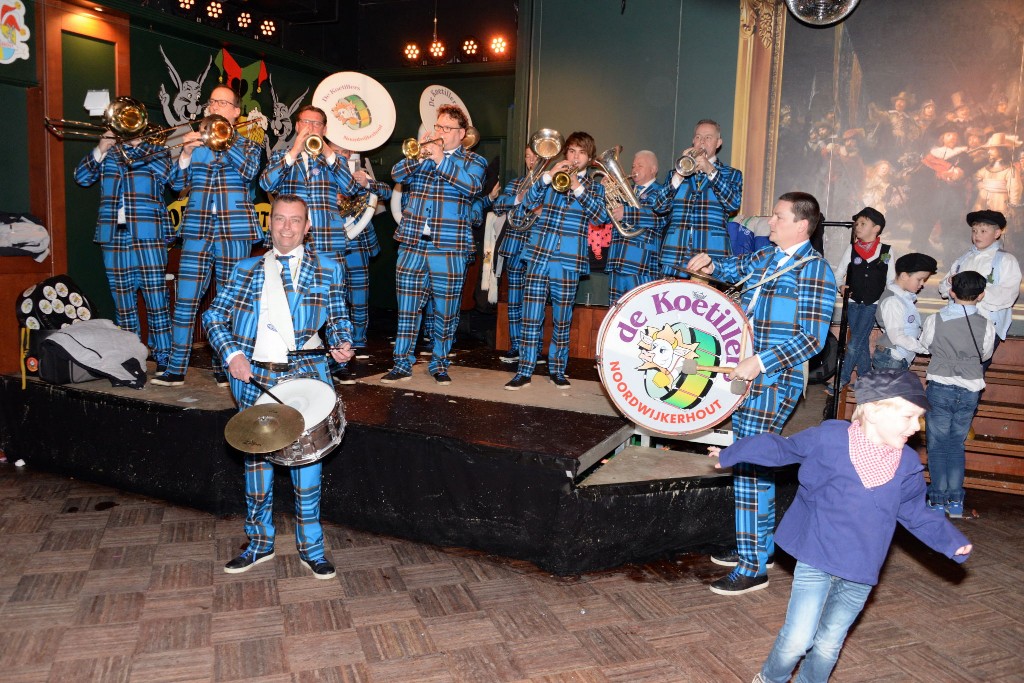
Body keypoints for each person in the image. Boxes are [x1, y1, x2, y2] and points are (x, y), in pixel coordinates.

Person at [708, 370, 972, 683]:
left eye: (919, 419)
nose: (916, 428)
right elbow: (783, 448)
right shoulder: (830, 439)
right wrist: (733, 453)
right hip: (817, 556)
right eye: (909, 416)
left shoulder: (906, 466)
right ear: (873, 410)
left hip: (861, 569)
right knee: (797, 640)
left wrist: (949, 540)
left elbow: (916, 512)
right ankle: (770, 678)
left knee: (829, 643)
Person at [687, 191, 837, 595]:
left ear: (802, 225)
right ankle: (758, 548)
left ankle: (752, 567)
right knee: (756, 461)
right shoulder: (768, 258)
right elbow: (734, 265)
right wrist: (709, 263)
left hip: (775, 379)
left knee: (749, 462)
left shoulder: (816, 271)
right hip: (750, 377)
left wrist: (761, 361)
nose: (769, 222)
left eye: (777, 216)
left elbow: (812, 338)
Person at [202, 194, 354, 579]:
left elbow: (338, 319)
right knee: (257, 466)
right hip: (255, 375)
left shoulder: (329, 269)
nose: (287, 227)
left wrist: (343, 344)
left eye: (295, 220)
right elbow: (214, 316)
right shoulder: (246, 269)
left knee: (307, 464)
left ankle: (312, 548)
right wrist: (232, 353)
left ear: (307, 227)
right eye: (280, 220)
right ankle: (258, 544)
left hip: (308, 373)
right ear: (270, 225)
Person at [153, 85, 263, 387]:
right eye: (212, 101)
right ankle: (176, 366)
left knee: (230, 304)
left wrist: (223, 142)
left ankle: (224, 364)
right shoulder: (195, 143)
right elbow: (175, 183)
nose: (215, 106)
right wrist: (186, 152)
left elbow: (248, 172)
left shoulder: (249, 144)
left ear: (235, 111)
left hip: (235, 231)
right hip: (197, 231)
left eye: (222, 102)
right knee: (186, 300)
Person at [383, 104, 486, 385]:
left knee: (446, 310)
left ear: (461, 133)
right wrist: (422, 153)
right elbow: (396, 174)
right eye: (438, 126)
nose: (440, 132)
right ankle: (401, 363)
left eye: (446, 128)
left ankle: (439, 363)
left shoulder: (473, 161)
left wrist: (442, 160)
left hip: (449, 247)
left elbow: (473, 187)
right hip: (413, 243)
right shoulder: (423, 155)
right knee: (407, 307)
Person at [259, 107, 358, 381]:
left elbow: (351, 188)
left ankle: (338, 358)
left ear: (325, 130)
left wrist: (327, 152)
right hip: (290, 241)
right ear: (297, 125)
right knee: (291, 298)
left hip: (328, 239)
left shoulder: (332, 159)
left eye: (317, 124)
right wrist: (294, 152)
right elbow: (266, 181)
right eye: (306, 122)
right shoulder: (283, 156)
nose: (311, 127)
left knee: (334, 301)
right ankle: (289, 358)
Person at [504, 132, 609, 390]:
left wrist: (577, 186)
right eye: (571, 151)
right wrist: (548, 177)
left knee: (563, 319)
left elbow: (599, 217)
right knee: (531, 316)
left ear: (590, 158)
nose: (575, 157)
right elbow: (527, 203)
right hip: (540, 254)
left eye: (581, 153)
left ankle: (557, 370)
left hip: (569, 260)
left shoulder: (595, 187)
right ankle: (525, 370)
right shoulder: (549, 180)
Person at [73, 129, 173, 373]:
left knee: (156, 299)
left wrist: (138, 145)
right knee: (123, 303)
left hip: (149, 234)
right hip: (114, 235)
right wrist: (101, 148)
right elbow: (82, 177)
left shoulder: (155, 151)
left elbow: (170, 177)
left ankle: (164, 357)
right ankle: (132, 357)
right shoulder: (110, 153)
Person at [920, 270, 995, 518]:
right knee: (956, 445)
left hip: (941, 385)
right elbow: (984, 355)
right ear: (981, 295)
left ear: (951, 292)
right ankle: (955, 502)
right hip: (971, 388)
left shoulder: (936, 319)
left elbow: (926, 344)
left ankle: (937, 499)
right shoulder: (987, 324)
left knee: (937, 445)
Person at [652, 119, 743, 276]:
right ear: (693, 141)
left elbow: (733, 204)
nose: (702, 142)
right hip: (674, 255)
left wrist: (710, 170)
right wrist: (679, 175)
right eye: (698, 137)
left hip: (711, 255)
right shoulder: (675, 173)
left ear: (718, 143)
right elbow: (659, 206)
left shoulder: (732, 174)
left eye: (708, 137)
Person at [937, 210, 1021, 366]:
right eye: (974, 231)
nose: (977, 235)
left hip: (986, 324)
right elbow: (943, 287)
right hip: (957, 322)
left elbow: (1009, 292)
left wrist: (979, 294)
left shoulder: (1006, 260)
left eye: (983, 231)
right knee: (950, 367)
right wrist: (949, 282)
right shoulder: (964, 259)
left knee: (974, 370)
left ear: (997, 233)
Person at [832, 207, 895, 393]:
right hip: (853, 304)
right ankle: (866, 380)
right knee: (860, 345)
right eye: (857, 224)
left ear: (876, 228)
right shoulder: (852, 249)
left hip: (872, 305)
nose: (857, 227)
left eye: (863, 223)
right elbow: (838, 275)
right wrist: (841, 287)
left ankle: (841, 379)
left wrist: (886, 303)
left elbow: (891, 281)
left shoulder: (886, 251)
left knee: (854, 344)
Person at [340, 146, 392, 376]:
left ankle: (359, 340)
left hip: (358, 241)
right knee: (336, 296)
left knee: (359, 295)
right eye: (339, 149)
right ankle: (340, 342)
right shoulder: (322, 169)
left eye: (346, 149)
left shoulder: (361, 169)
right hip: (330, 241)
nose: (345, 152)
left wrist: (367, 182)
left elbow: (388, 192)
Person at [491, 144, 539, 364]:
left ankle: (534, 349)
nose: (531, 161)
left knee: (535, 300)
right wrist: (518, 198)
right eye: (528, 157)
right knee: (514, 300)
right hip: (514, 245)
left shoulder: (552, 185)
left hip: (537, 246)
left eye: (535, 157)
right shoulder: (517, 183)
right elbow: (499, 205)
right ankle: (515, 346)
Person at [606, 150, 668, 304]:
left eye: (640, 166)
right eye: (633, 166)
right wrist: (604, 192)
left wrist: (626, 213)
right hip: (617, 260)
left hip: (642, 264)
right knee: (615, 315)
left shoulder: (661, 192)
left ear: (653, 169)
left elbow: (658, 218)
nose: (634, 170)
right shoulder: (624, 190)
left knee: (642, 311)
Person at [872, 252, 937, 371]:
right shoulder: (892, 301)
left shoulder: (903, 298)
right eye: (920, 279)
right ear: (904, 276)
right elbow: (897, 337)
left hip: (897, 358)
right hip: (891, 359)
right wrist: (924, 348)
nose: (922, 284)